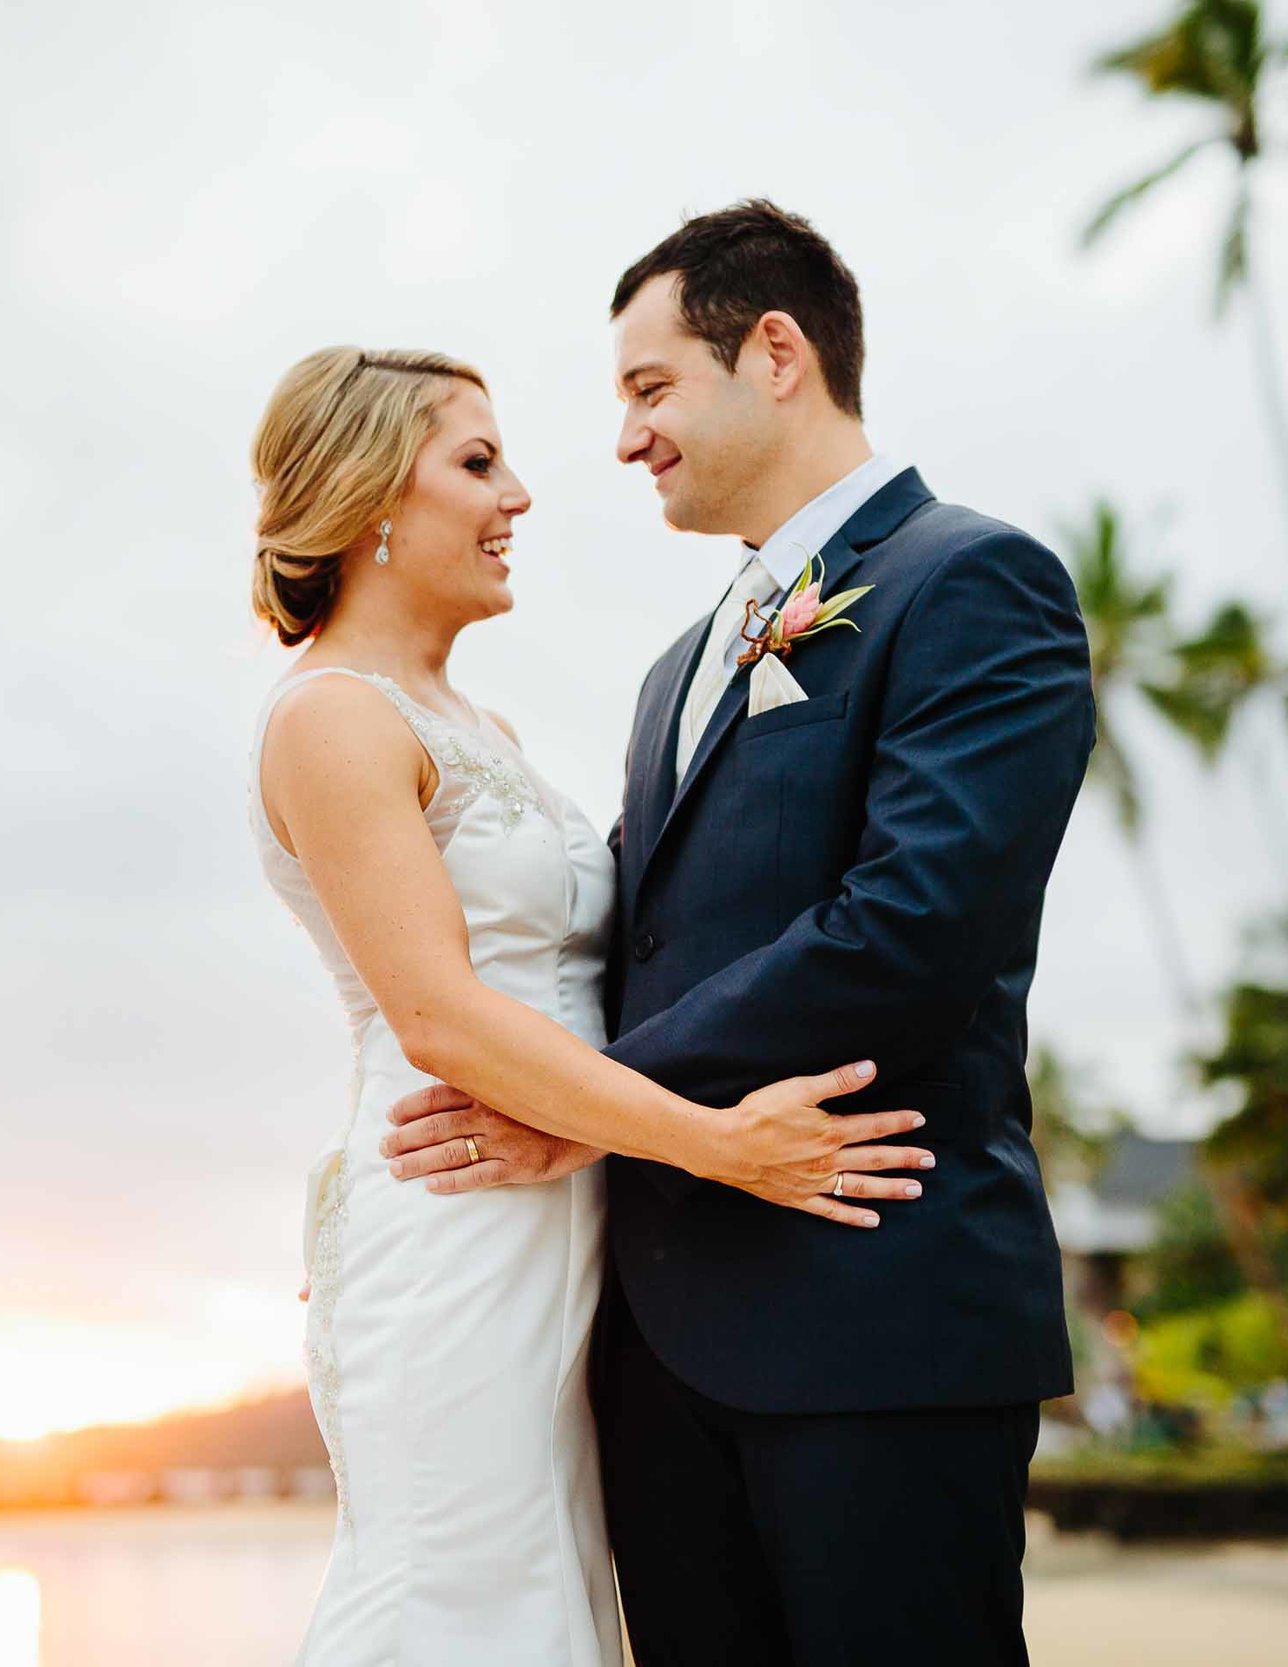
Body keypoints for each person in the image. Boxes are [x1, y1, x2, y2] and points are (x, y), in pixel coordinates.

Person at [381, 200, 1096, 1665]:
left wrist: (598, 1112)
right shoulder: (673, 673)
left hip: (874, 1317)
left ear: (775, 353)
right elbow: (624, 940)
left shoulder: (972, 583)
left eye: (650, 390)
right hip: (654, 1350)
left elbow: (910, 927)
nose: (627, 440)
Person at [246, 342, 933, 1665]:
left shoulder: (480, 729)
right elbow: (439, 1017)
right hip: (452, 1215)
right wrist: (719, 1141)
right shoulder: (329, 718)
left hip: (570, 1231)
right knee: (457, 1592)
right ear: (373, 492)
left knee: (548, 1588)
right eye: (478, 462)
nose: (519, 496)